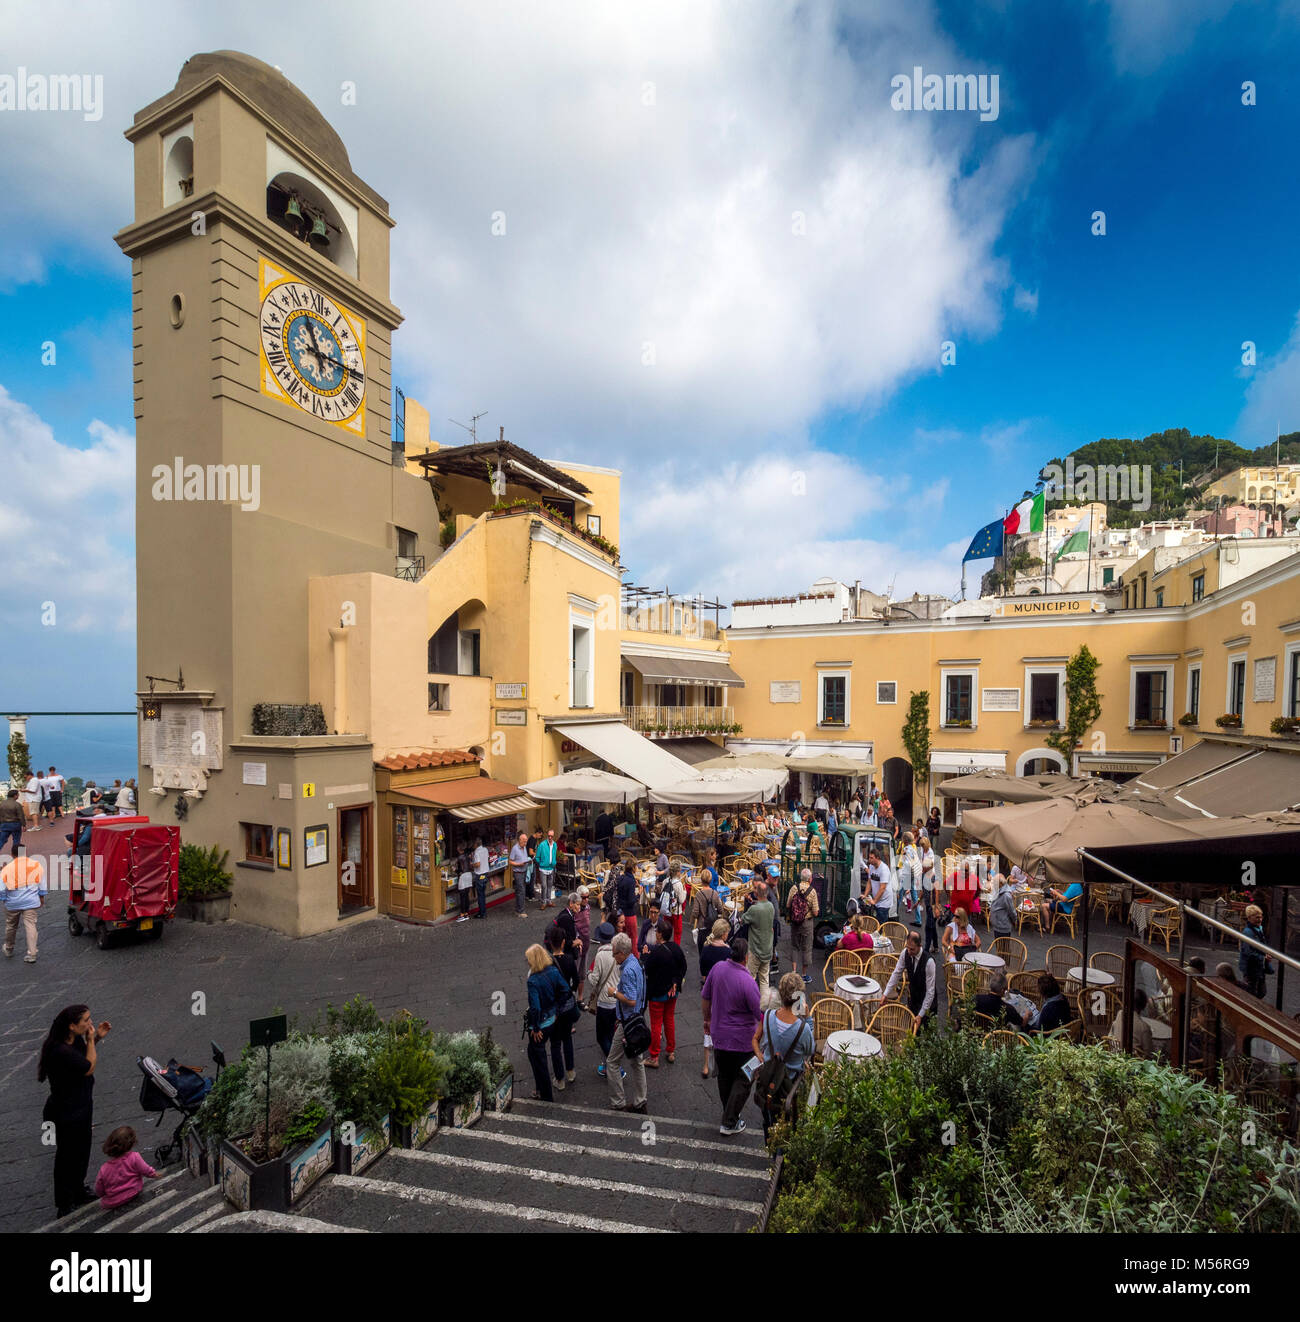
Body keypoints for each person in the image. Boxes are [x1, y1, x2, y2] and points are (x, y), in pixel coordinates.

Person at [39, 1004, 111, 1216]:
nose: (90, 1023)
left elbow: (82, 1057)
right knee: (67, 1156)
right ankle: (64, 1201)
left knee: (82, 1151)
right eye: (86, 1021)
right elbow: (88, 1067)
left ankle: (78, 1189)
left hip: (80, 1105)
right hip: (66, 1111)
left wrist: (95, 1038)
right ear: (71, 1026)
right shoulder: (59, 1051)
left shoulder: (73, 1041)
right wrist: (91, 1040)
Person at [702, 937, 762, 1136]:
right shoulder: (748, 982)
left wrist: (707, 1020)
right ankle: (729, 1121)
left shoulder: (717, 969)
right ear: (746, 957)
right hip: (743, 1041)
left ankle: (729, 1113)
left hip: (720, 1035)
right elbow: (759, 1013)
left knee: (725, 1076)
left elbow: (705, 997)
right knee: (745, 1078)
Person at [750, 972, 815, 1136]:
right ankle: (780, 1156)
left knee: (768, 1120)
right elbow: (810, 1050)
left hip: (768, 1079)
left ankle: (770, 1147)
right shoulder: (803, 1028)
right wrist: (808, 1020)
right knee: (787, 1125)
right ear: (799, 997)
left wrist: (760, 1055)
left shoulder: (768, 1016)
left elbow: (756, 1039)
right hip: (790, 1084)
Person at [606, 933, 648, 1114]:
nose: (613, 957)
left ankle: (618, 1102)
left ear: (622, 953)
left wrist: (614, 992)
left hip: (628, 1023)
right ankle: (640, 1101)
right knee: (637, 1061)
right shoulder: (636, 963)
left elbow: (630, 999)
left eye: (614, 953)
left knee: (612, 1062)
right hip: (637, 1018)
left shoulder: (628, 970)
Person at [524, 944, 567, 1101]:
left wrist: (535, 1027)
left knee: (539, 1058)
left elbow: (535, 1007)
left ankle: (545, 1094)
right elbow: (565, 991)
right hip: (554, 1020)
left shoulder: (533, 981)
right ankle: (556, 1080)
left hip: (540, 1025)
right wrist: (557, 1009)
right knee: (550, 1048)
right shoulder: (553, 972)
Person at [644, 916, 687, 1068]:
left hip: (657, 993)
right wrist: (675, 981)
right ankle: (670, 1050)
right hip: (672, 993)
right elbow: (683, 967)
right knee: (669, 1019)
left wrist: (645, 955)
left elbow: (647, 968)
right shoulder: (676, 948)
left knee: (656, 1024)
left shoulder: (656, 952)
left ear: (661, 934)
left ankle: (654, 1056)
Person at [585, 922, 621, 1076]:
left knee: (601, 1036)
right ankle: (610, 1065)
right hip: (616, 1000)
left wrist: (588, 974)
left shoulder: (600, 955)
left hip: (604, 1002)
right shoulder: (619, 952)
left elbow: (594, 980)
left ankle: (613, 1065)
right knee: (611, 1035)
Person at [545, 926, 580, 1088]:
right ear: (564, 942)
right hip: (567, 1006)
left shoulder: (548, 964)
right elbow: (577, 980)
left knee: (555, 1043)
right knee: (567, 1038)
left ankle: (559, 1080)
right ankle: (571, 1071)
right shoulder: (569, 960)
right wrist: (570, 992)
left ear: (551, 943)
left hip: (554, 1009)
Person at [882, 930, 936, 1032]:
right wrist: (886, 993)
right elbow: (896, 973)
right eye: (907, 947)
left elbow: (930, 992)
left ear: (920, 946)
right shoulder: (905, 953)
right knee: (910, 1031)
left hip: (927, 1002)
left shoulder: (929, 962)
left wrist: (921, 1015)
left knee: (926, 1034)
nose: (909, 951)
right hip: (913, 998)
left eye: (912, 949)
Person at [94, 1126, 159, 1210]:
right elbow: (146, 1170)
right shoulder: (134, 1157)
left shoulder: (104, 1169)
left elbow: (99, 1190)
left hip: (112, 1202)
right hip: (134, 1192)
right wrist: (155, 1174)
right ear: (132, 1143)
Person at [2, 849, 45, 963]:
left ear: (12, 854)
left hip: (13, 903)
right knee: (31, 925)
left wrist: (4, 899)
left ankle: (9, 948)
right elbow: (42, 884)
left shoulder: (7, 868)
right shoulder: (36, 865)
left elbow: (2, 889)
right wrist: (41, 897)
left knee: (11, 926)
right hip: (31, 901)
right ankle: (32, 953)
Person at [740, 878, 775, 993]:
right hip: (767, 949)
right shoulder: (770, 906)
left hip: (755, 949)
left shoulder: (754, 909)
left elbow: (743, 919)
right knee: (765, 979)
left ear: (756, 893)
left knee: (750, 978)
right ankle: (764, 1004)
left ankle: (750, 1002)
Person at [786, 867, 819, 983]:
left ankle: (794, 972)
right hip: (806, 923)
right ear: (810, 879)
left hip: (795, 922)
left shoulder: (794, 888)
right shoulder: (812, 891)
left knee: (795, 946)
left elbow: (788, 905)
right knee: (807, 948)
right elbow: (815, 912)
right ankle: (804, 975)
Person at [688, 868, 725, 962]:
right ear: (710, 880)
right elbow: (721, 909)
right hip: (713, 927)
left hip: (702, 925)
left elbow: (695, 912)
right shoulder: (715, 893)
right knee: (713, 951)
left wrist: (691, 920)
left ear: (701, 880)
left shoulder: (699, 894)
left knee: (702, 952)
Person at [1108, 986, 1154, 1057]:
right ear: (1143, 1006)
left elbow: (1110, 1034)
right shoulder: (1144, 1028)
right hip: (1133, 1063)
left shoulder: (1120, 1014)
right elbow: (1149, 1054)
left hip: (1116, 1056)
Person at [1238, 904, 1271, 999]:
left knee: (1261, 991)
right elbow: (1248, 952)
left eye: (1261, 917)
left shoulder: (1258, 930)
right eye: (1257, 917)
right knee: (1252, 991)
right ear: (1249, 918)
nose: (1260, 919)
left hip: (1258, 966)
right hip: (1251, 967)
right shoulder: (1249, 932)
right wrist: (1263, 957)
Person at [917, 833, 939, 952]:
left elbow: (936, 891)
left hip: (931, 904)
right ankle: (935, 946)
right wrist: (918, 901)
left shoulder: (931, 876)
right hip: (928, 903)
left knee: (928, 927)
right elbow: (923, 890)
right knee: (932, 926)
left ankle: (926, 949)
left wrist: (935, 906)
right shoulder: (925, 875)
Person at [658, 862, 686, 946]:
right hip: (676, 912)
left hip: (666, 910)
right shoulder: (678, 884)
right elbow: (681, 900)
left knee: (666, 932)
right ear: (677, 872)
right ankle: (675, 948)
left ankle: (665, 946)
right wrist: (685, 892)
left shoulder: (665, 881)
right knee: (677, 933)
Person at [866, 848, 895, 922]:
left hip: (884, 902)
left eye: (872, 858)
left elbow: (882, 888)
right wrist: (865, 895)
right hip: (877, 900)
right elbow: (869, 881)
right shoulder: (871, 866)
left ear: (877, 858)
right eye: (869, 857)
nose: (869, 859)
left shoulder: (884, 869)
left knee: (880, 925)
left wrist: (874, 901)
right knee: (875, 922)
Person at [988, 872, 1017, 940]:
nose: (993, 884)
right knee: (999, 948)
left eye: (995, 883)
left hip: (1003, 927)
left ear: (1000, 883)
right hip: (998, 926)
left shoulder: (1006, 895)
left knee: (1003, 949)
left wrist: (1014, 920)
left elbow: (1011, 911)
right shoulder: (999, 891)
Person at [534, 828, 558, 909]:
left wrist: (554, 862)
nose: (550, 837)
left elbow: (554, 854)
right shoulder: (542, 845)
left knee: (550, 885)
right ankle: (543, 902)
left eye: (551, 836)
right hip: (543, 868)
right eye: (549, 836)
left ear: (553, 836)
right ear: (547, 836)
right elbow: (537, 857)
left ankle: (549, 901)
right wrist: (541, 863)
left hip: (551, 868)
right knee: (544, 886)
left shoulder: (555, 845)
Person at [509, 831, 530, 919]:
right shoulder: (515, 848)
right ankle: (521, 911)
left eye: (526, 841)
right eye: (524, 841)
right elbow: (510, 861)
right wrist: (519, 864)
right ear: (519, 840)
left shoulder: (524, 847)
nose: (525, 843)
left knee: (520, 891)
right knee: (521, 891)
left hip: (524, 871)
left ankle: (518, 909)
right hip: (518, 872)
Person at [616, 860, 640, 937]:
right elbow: (631, 901)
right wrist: (639, 894)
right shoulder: (631, 881)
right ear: (633, 868)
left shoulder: (621, 878)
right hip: (629, 913)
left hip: (621, 913)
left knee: (621, 938)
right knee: (633, 937)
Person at [574, 885, 593, 982]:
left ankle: (580, 996)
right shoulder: (574, 910)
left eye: (588, 897)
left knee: (582, 972)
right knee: (575, 969)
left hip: (586, 941)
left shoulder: (587, 907)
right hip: (577, 943)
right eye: (584, 898)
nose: (586, 900)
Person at [0, 788, 24, 857]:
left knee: (1, 840)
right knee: (16, 840)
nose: (18, 796)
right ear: (15, 796)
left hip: (4, 825)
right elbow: (21, 816)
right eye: (18, 795)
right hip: (15, 824)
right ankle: (16, 855)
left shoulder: (2, 804)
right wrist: (24, 825)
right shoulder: (17, 804)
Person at [471, 836, 490, 919]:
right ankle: (483, 911)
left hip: (480, 875)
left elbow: (478, 864)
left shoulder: (476, 852)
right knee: (483, 893)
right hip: (485, 874)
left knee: (480, 895)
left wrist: (472, 865)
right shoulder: (485, 849)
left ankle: (482, 913)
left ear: (476, 844)